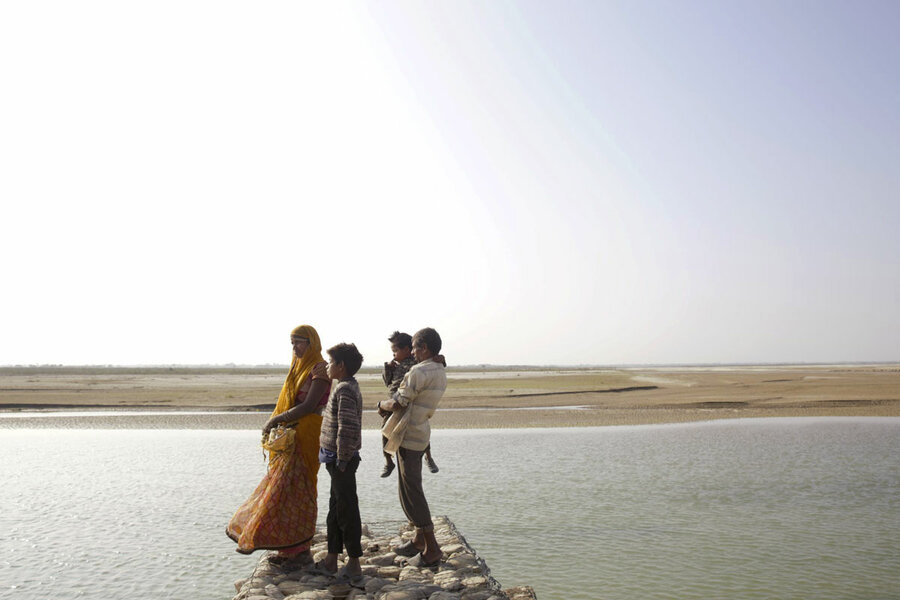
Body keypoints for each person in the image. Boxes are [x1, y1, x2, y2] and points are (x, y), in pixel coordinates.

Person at [226, 325, 331, 568]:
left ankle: (301, 552)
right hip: (291, 435)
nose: (295, 348)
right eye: (292, 343)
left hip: (306, 435)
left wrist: (275, 419)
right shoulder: (297, 368)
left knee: (299, 491)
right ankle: (287, 550)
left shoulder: (319, 368)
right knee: (281, 492)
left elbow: (308, 405)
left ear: (312, 343)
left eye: (299, 343)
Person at [378, 327, 447, 568]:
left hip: (407, 434)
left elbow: (399, 402)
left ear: (424, 348)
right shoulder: (439, 370)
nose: (414, 354)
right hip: (420, 432)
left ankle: (432, 548)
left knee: (411, 492)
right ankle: (419, 540)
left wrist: (382, 404)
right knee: (410, 487)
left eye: (417, 348)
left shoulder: (418, 371)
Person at [315, 342, 365, 586]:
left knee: (346, 510)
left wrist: (343, 459)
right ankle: (331, 559)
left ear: (341, 366)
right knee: (335, 509)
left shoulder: (345, 390)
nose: (328, 367)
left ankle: (354, 564)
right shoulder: (343, 386)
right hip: (336, 459)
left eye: (331, 363)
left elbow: (347, 428)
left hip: (341, 460)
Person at [380, 331, 439, 477]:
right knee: (384, 431)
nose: (393, 355)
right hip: (393, 401)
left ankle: (428, 457)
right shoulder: (395, 365)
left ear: (407, 350)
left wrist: (441, 359)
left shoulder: (417, 363)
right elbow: (388, 382)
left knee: (420, 430)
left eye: (395, 351)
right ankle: (388, 461)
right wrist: (388, 368)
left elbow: (433, 364)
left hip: (408, 401)